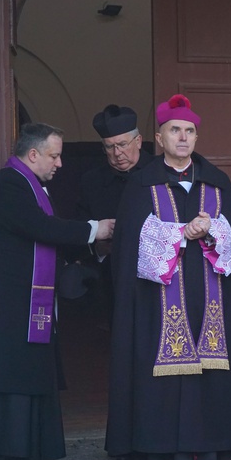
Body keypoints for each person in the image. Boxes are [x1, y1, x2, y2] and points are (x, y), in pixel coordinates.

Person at [106, 94, 231, 460]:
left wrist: (214, 230)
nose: (184, 137)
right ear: (159, 138)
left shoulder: (217, 183)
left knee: (209, 381)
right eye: (175, 130)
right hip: (157, 307)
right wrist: (178, 233)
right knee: (160, 386)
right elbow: (128, 245)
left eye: (190, 131)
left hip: (212, 305)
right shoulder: (142, 185)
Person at [0, 123, 114, 460]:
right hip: (10, 302)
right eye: (55, 155)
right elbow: (40, 227)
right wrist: (94, 229)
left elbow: (50, 233)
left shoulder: (31, 186)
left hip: (33, 301)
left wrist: (91, 245)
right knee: (8, 381)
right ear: (33, 154)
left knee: (35, 375)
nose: (59, 163)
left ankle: (29, 458)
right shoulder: (7, 184)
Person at [72, 105, 154, 326]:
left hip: (155, 281)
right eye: (110, 147)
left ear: (138, 141)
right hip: (108, 280)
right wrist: (98, 248)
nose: (117, 153)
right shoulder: (91, 182)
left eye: (123, 144)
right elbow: (79, 228)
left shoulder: (158, 173)